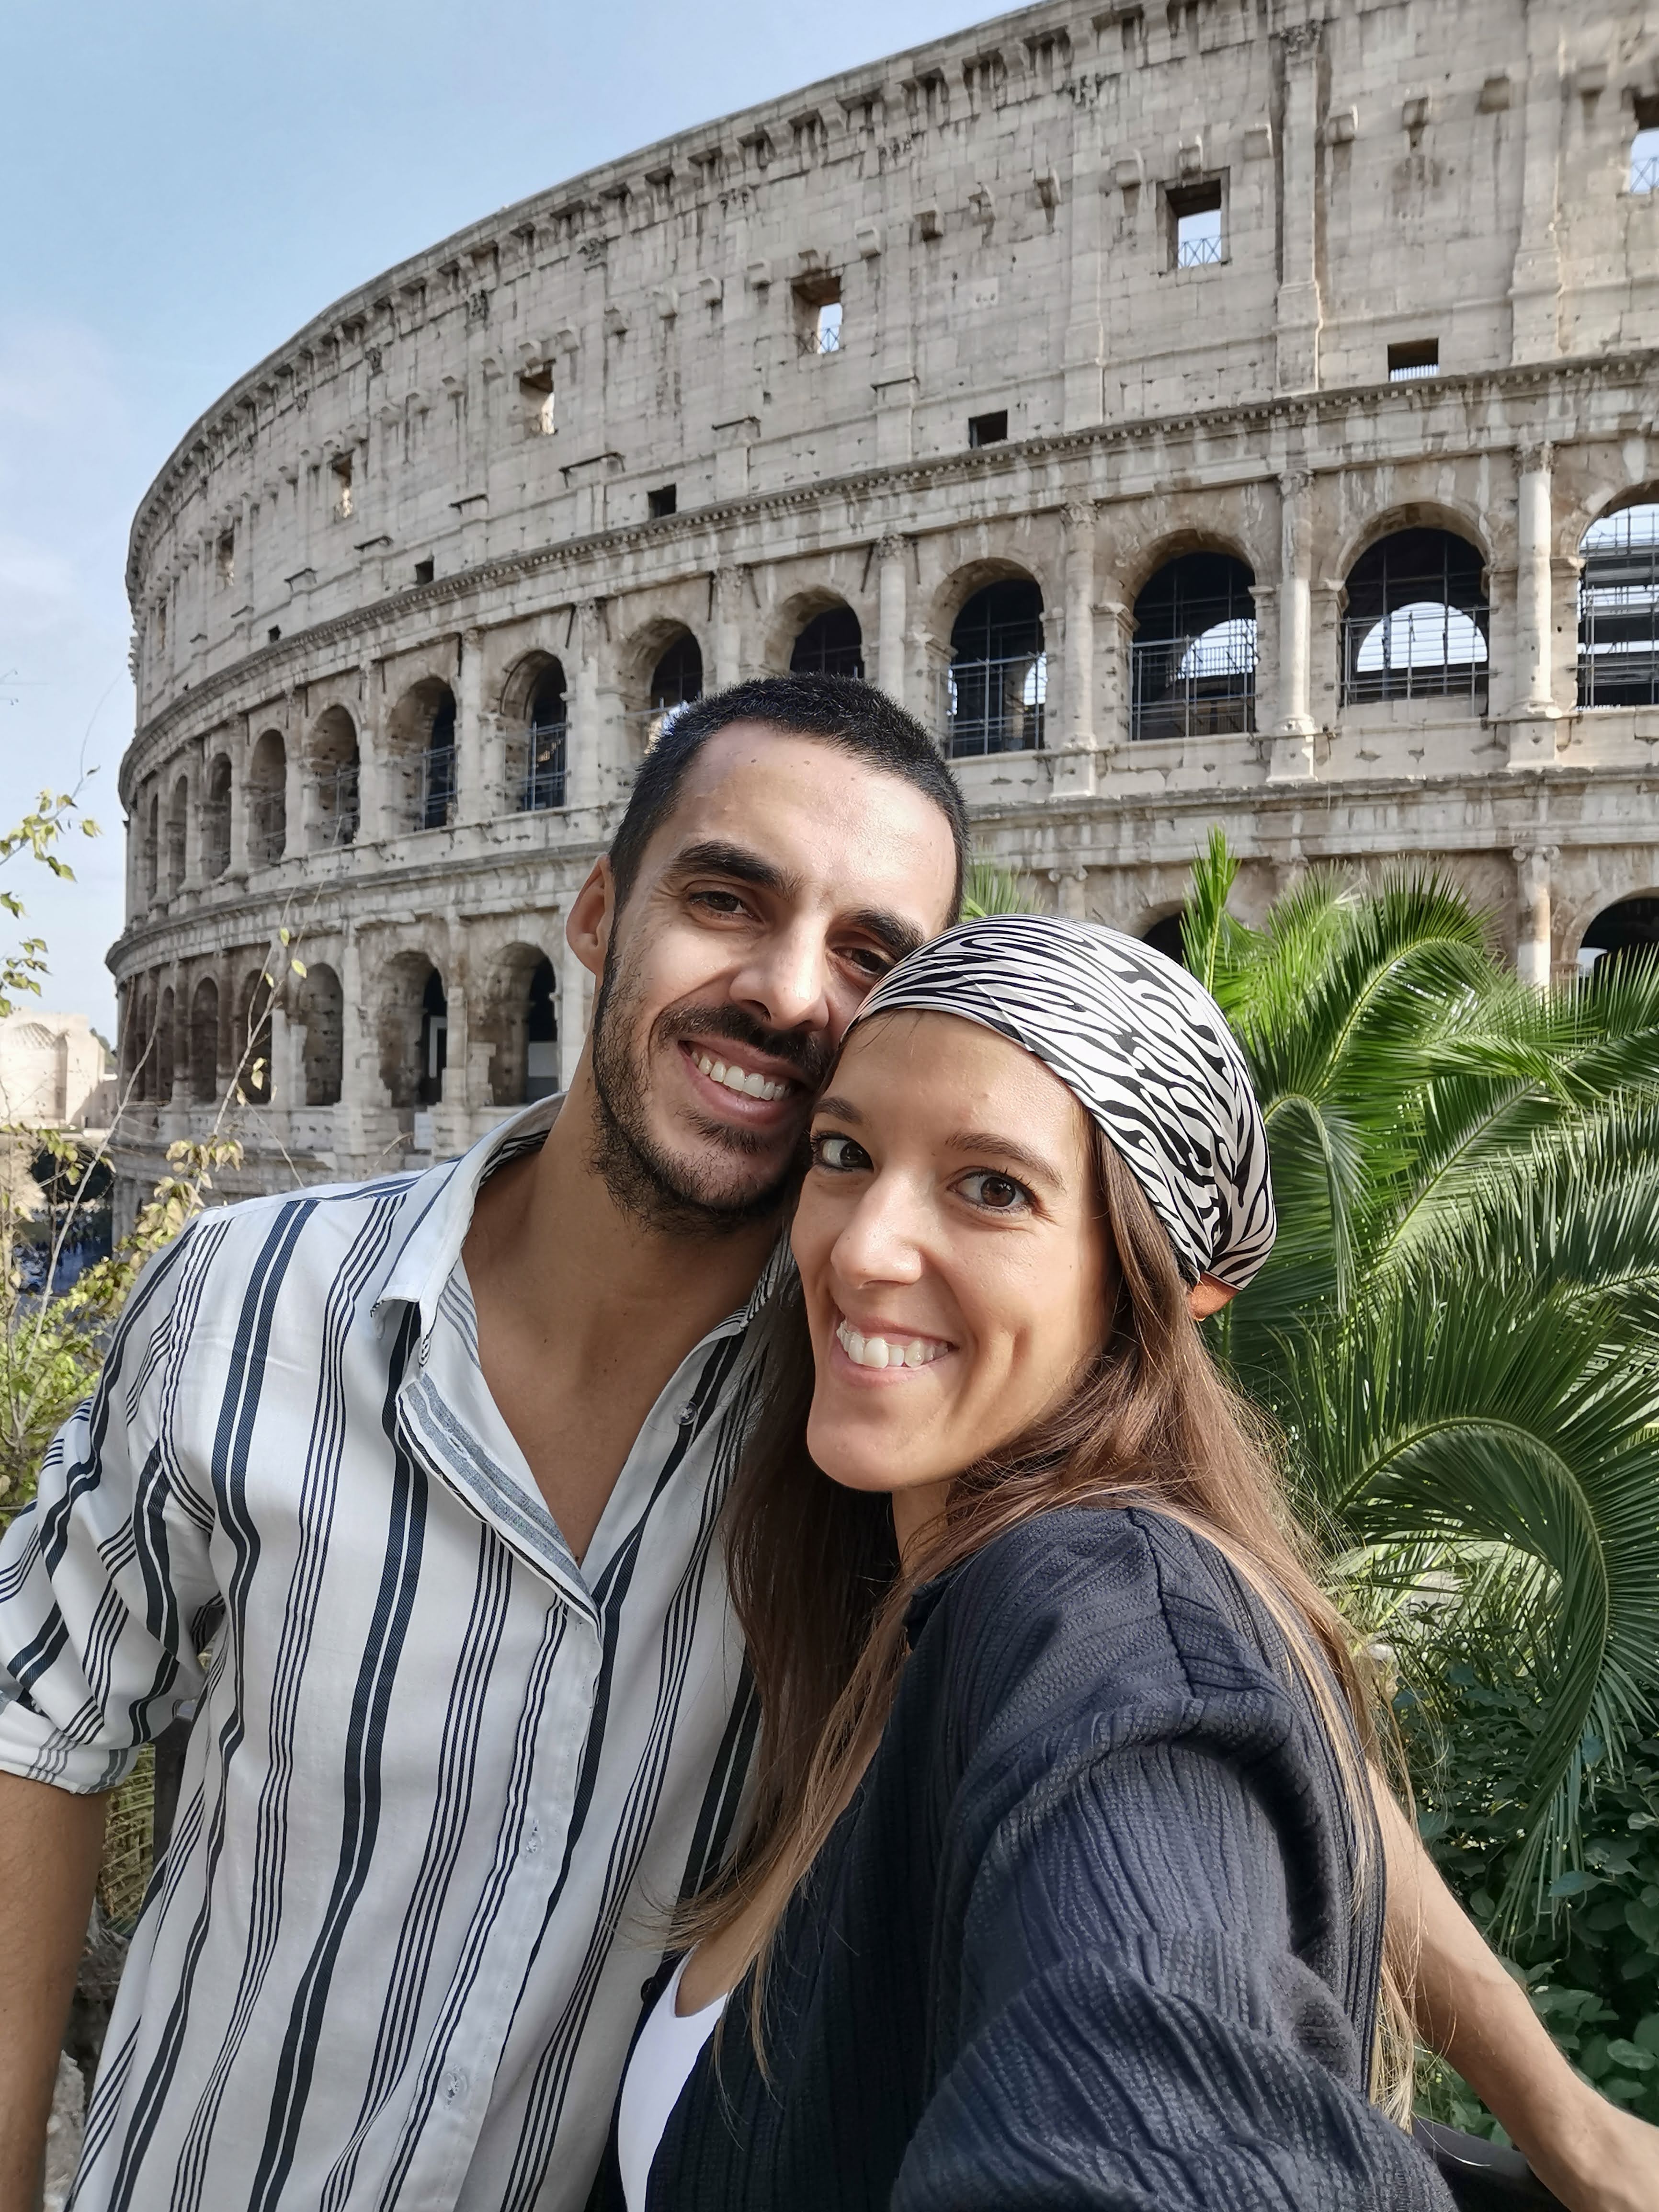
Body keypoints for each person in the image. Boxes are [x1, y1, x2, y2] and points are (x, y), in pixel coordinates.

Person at [0, 677, 1650, 2212]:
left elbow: (1198, 1707)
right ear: (597, 912)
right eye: (727, 898)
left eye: (869, 949)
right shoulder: (252, 1296)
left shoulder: (884, 1433)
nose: (791, 991)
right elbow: (39, 1718)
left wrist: (1556, 2114)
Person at [593, 916, 1659, 2212]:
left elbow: (1148, 2057)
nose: (862, 1246)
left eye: (994, 1185)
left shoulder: (1096, 1598)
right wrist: (1576, 2127)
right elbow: (1276, 1735)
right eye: (844, 1151)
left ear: (1169, 1281)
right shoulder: (888, 1606)